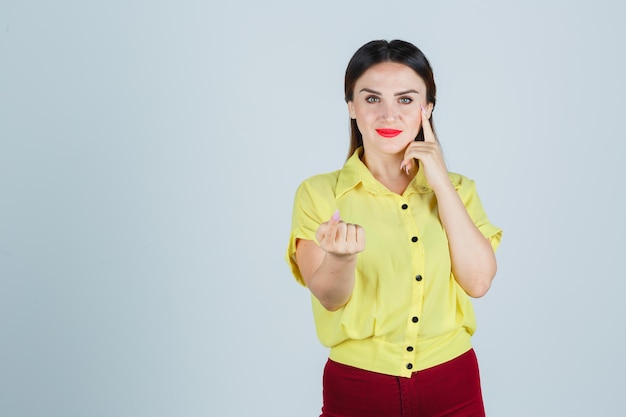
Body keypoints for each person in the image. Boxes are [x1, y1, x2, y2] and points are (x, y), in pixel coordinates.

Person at [285, 39, 502, 417]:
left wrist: (440, 183)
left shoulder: (461, 190)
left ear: (427, 108)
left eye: (405, 100)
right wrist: (340, 258)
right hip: (357, 386)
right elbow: (330, 297)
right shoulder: (318, 194)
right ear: (351, 106)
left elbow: (478, 282)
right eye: (371, 99)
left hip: (453, 382)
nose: (389, 115)